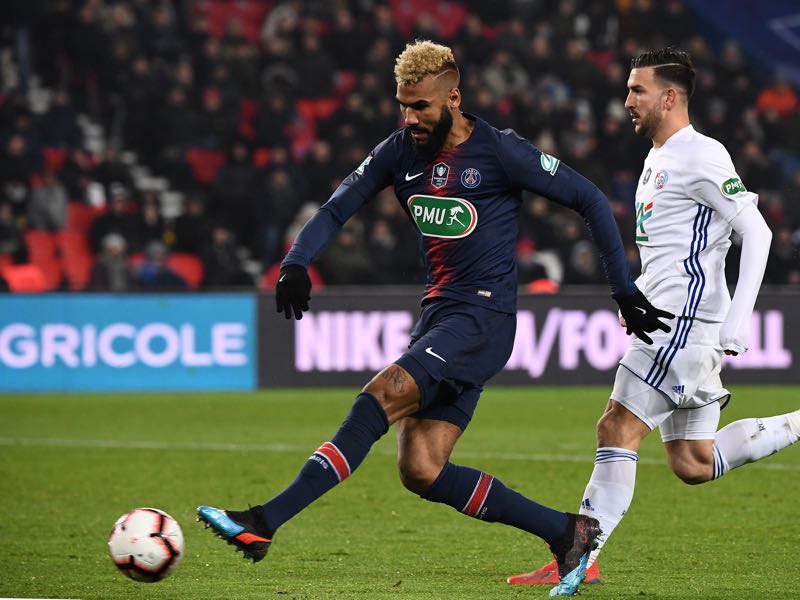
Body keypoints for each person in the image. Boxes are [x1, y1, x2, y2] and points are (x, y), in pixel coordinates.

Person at [197, 40, 672, 595]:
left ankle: (264, 521)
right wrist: (297, 261)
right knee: (421, 468)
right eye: (403, 105)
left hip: (483, 319)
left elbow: (589, 198)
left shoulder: (500, 151)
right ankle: (569, 533)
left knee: (379, 395)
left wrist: (622, 288)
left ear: (454, 96)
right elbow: (336, 207)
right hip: (439, 316)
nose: (410, 117)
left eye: (421, 106)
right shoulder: (399, 152)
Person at [507, 48, 800, 593]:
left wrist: (737, 323)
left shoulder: (701, 155)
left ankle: (581, 554)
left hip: (685, 324)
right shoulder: (658, 158)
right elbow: (669, 250)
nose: (627, 102)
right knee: (691, 460)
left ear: (669, 97)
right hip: (669, 320)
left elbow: (757, 234)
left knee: (616, 426)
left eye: (637, 90)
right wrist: (638, 297)